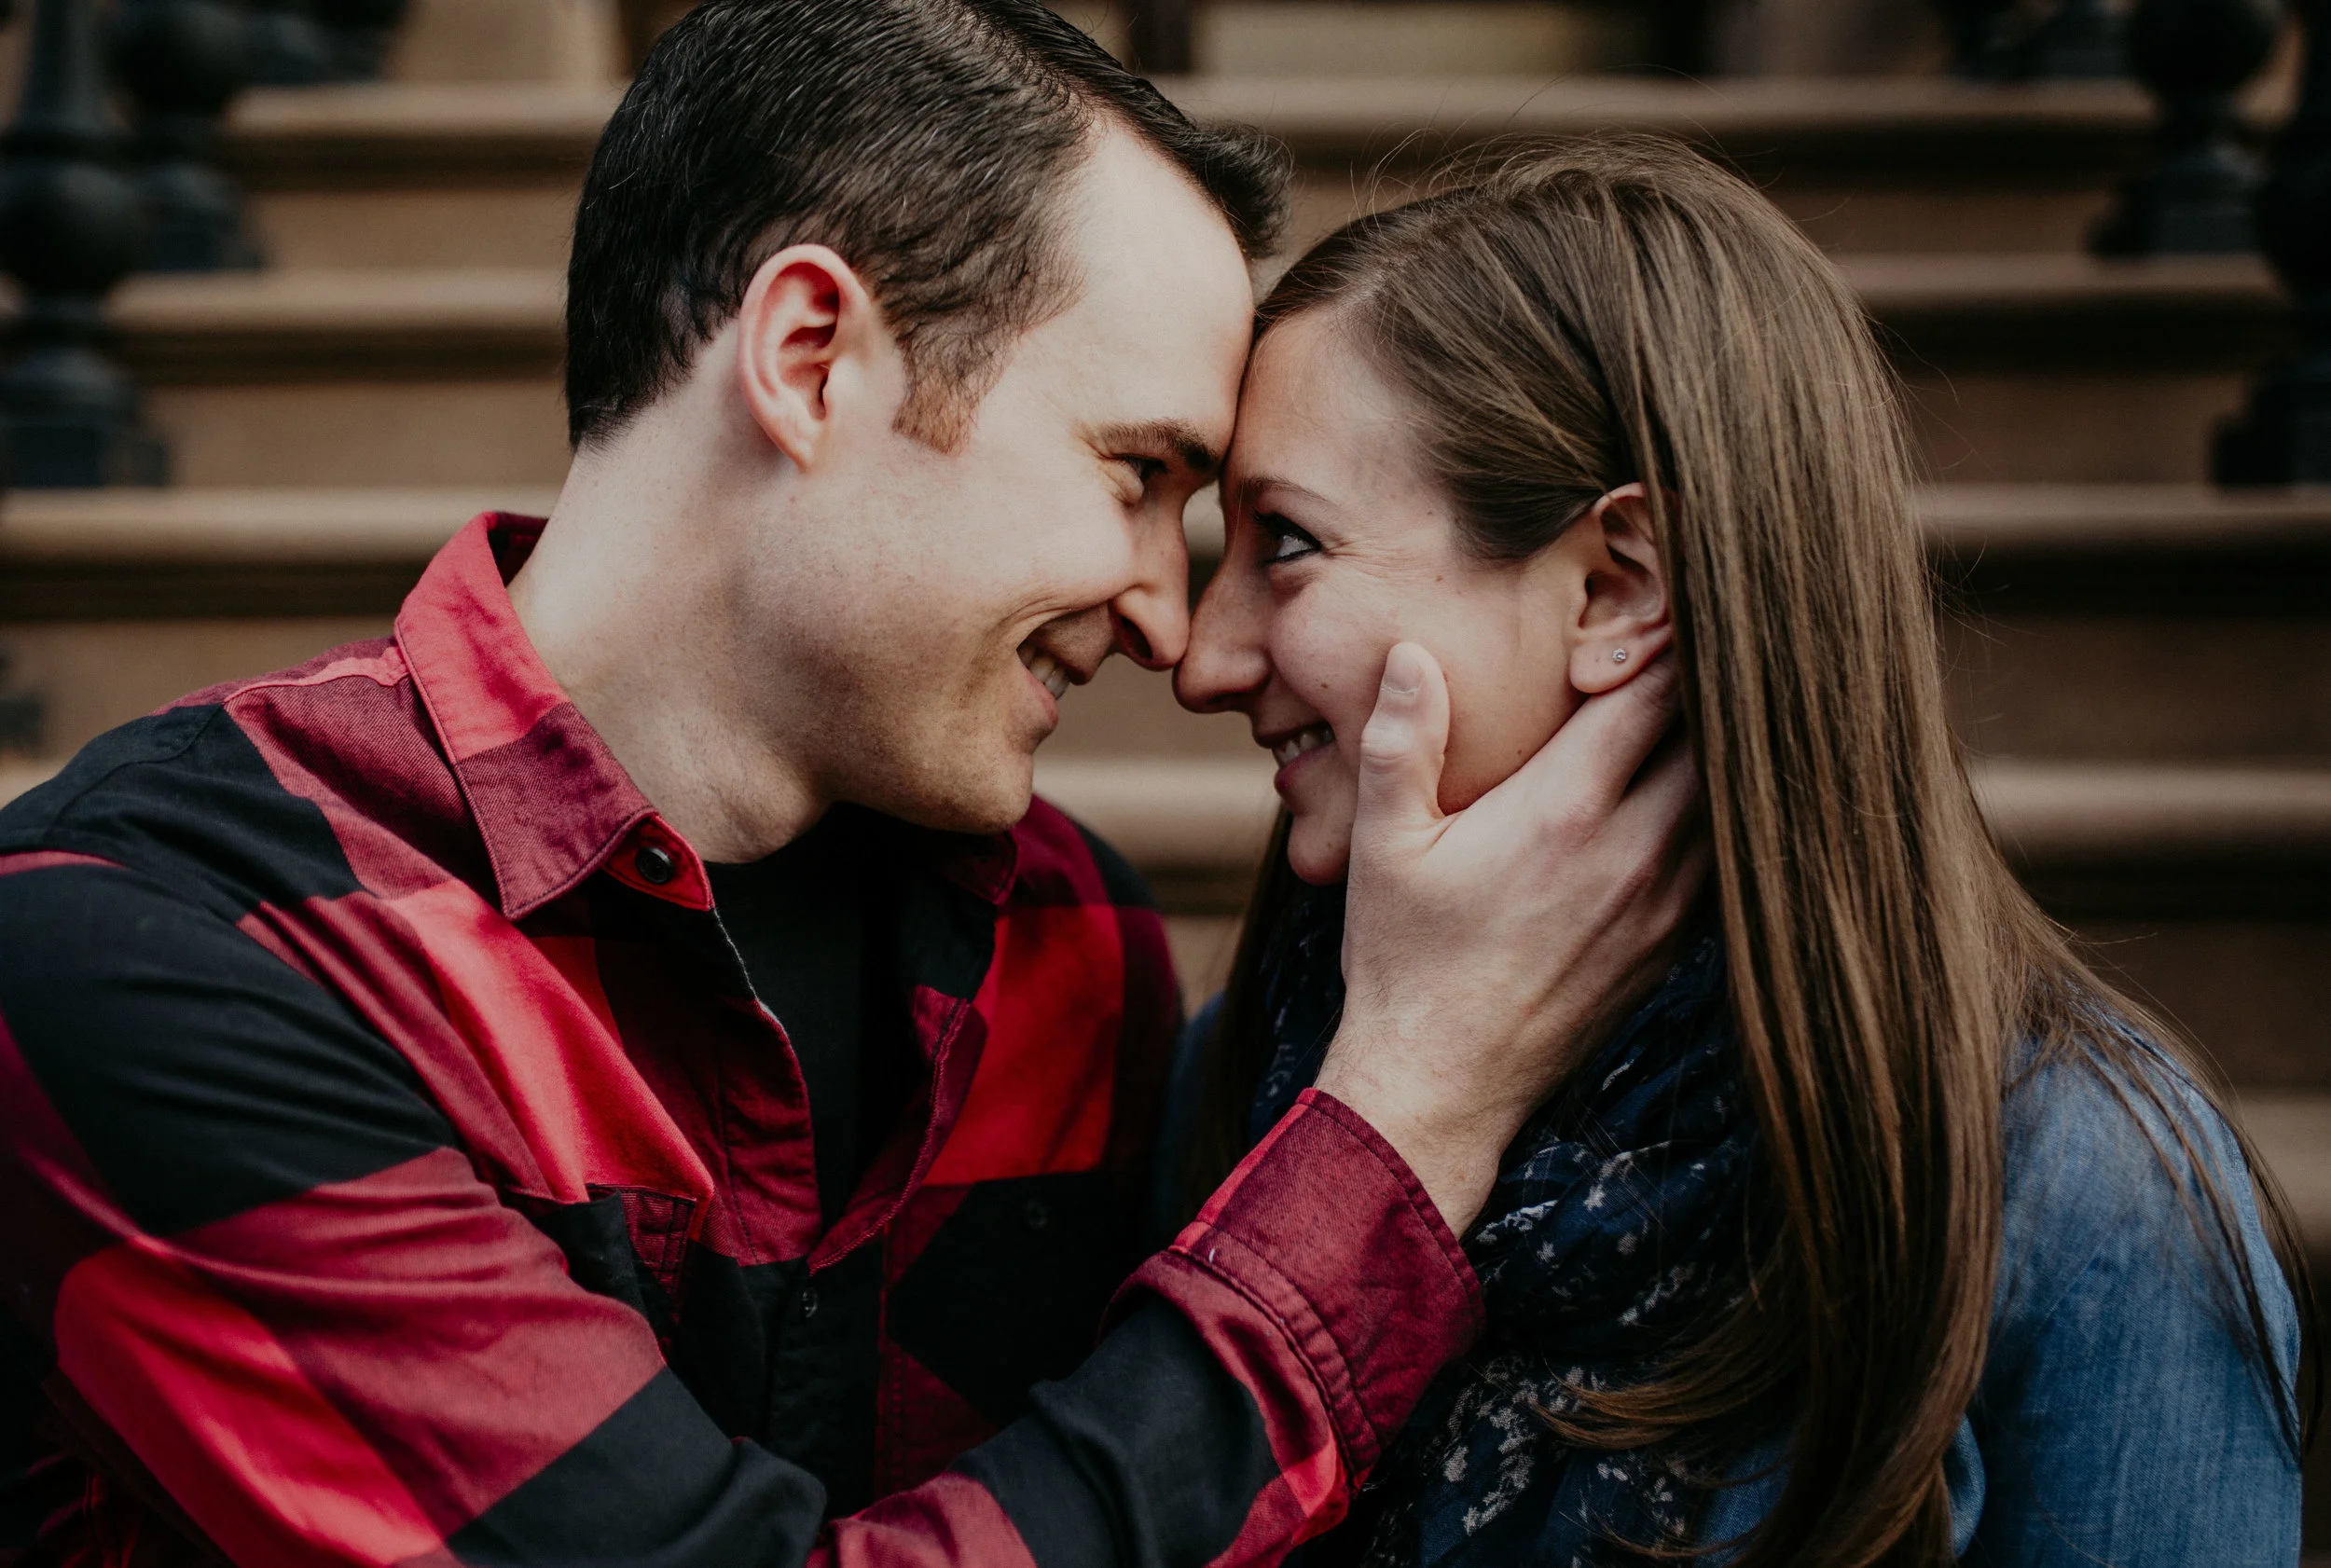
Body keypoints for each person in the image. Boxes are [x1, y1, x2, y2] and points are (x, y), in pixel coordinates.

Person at [0, 7, 1705, 1568]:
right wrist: (1406, 1117)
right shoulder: (158, 940)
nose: (1173, 626)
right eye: (1134, 473)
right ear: (811, 357)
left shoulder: (1073, 945)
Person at [1173, 136, 2311, 1567]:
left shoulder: (2076, 1204)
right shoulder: (1248, 1074)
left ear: (1617, 587)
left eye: (1285, 542)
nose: (1200, 657)